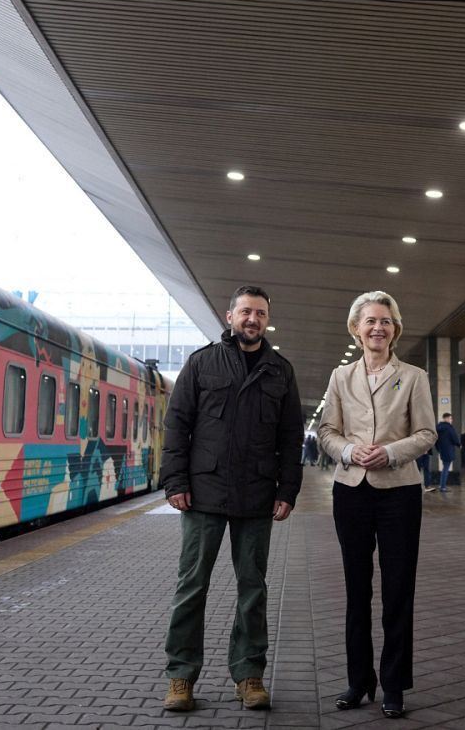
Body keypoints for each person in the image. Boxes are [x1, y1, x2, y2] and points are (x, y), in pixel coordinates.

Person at [160, 285, 305, 713]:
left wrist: (288, 490)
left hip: (257, 495)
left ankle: (249, 675)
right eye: (245, 312)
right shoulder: (202, 363)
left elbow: (291, 437)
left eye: (259, 313)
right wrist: (175, 481)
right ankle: (181, 677)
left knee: (253, 589)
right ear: (230, 317)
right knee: (191, 587)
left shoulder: (280, 370)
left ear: (266, 319)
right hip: (203, 492)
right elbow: (177, 425)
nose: (252, 319)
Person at [318, 291, 437, 719]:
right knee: (356, 589)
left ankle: (393, 685)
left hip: (399, 492)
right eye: (370, 320)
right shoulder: (340, 377)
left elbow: (426, 433)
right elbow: (327, 430)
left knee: (397, 590)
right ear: (356, 328)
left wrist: (390, 452)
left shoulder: (414, 376)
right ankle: (358, 681)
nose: (377, 328)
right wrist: (349, 451)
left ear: (395, 329)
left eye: (385, 321)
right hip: (351, 490)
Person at [435, 412, 461, 492]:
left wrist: (438, 449)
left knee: (444, 467)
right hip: (449, 450)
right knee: (445, 469)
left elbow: (436, 440)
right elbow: (454, 437)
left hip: (442, 451)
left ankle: (441, 485)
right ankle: (443, 487)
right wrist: (459, 444)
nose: (451, 420)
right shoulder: (448, 427)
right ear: (446, 418)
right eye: (450, 418)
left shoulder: (438, 427)